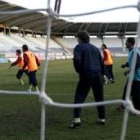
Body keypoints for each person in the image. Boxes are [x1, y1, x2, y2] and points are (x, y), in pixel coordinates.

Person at [69, 31, 106, 129]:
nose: (77, 40)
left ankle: (77, 120)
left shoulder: (79, 47)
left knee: (79, 96)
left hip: (86, 74)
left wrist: (79, 71)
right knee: (99, 97)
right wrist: (103, 75)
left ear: (80, 38)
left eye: (77, 38)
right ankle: (102, 118)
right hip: (97, 74)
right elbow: (101, 62)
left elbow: (77, 60)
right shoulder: (95, 48)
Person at [116, 37, 140, 112]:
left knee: (135, 94)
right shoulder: (131, 51)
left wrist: (128, 71)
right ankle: (123, 105)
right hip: (132, 77)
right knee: (126, 91)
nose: (125, 43)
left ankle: (138, 109)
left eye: (126, 41)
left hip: (136, 77)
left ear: (130, 43)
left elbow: (137, 64)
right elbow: (131, 62)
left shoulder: (135, 51)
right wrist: (125, 65)